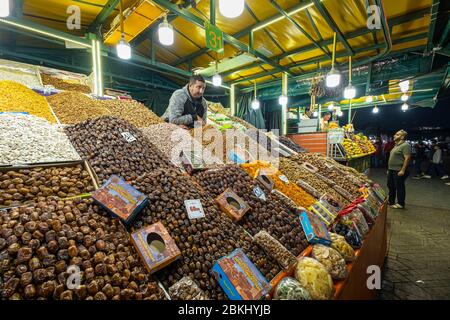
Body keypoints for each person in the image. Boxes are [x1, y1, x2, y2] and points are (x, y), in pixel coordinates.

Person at [387, 130, 412, 209]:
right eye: (395, 134)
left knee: (399, 186)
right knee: (390, 185)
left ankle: (401, 203)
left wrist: (403, 170)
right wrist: (389, 169)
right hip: (391, 169)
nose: (394, 135)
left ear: (402, 137)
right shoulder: (396, 145)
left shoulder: (406, 145)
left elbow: (407, 158)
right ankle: (391, 201)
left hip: (399, 170)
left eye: (397, 134)